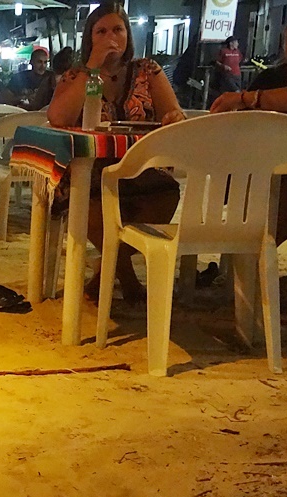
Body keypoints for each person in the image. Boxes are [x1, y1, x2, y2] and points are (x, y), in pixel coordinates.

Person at [47, 2, 186, 302]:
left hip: (140, 171)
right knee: (91, 206)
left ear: (128, 35)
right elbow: (58, 118)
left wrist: (174, 117)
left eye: (118, 29)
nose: (111, 36)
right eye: (102, 31)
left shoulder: (147, 71)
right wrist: (92, 66)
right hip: (89, 173)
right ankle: (126, 279)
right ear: (90, 38)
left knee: (167, 195)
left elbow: (173, 113)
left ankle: (105, 272)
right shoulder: (75, 76)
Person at [211, 19, 287, 245]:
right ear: (284, 45)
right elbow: (240, 123)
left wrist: (249, 97)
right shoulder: (271, 79)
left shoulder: (258, 90)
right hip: (267, 171)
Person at [30, 46, 74, 110]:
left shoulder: (47, 82)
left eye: (45, 62)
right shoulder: (47, 83)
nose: (43, 66)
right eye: (39, 62)